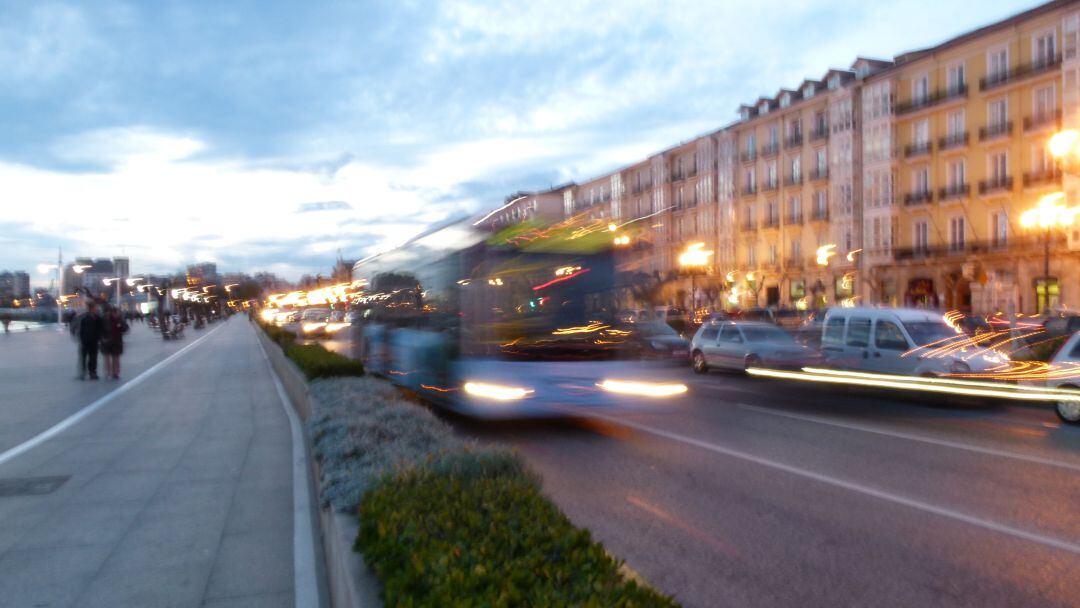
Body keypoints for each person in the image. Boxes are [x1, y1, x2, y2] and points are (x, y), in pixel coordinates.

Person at [73, 302, 106, 380]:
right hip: (85, 341)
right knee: (84, 357)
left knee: (93, 357)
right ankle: (83, 373)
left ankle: (92, 372)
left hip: (94, 341)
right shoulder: (84, 318)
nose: (96, 309)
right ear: (91, 309)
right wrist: (81, 338)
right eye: (94, 308)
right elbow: (80, 330)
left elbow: (101, 329)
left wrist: (100, 338)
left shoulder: (98, 318)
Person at [100, 306, 129, 380]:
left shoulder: (119, 319)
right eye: (111, 312)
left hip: (117, 341)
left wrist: (120, 324)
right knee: (107, 358)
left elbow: (125, 328)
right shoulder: (104, 319)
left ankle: (115, 373)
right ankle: (108, 372)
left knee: (116, 357)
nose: (112, 313)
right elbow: (99, 329)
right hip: (106, 341)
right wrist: (102, 338)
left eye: (114, 312)